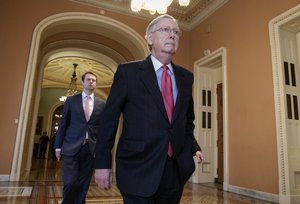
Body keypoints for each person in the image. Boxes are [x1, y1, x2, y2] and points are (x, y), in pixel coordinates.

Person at [94, 14, 204, 204]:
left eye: (176, 32)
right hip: (137, 167)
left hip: (174, 171)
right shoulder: (128, 73)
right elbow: (109, 121)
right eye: (165, 30)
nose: (172, 35)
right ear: (150, 38)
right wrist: (102, 164)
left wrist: (190, 149)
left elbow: (187, 120)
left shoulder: (186, 77)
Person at [54, 71, 105, 204]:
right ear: (82, 82)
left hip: (90, 149)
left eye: (94, 80)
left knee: (83, 184)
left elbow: (103, 128)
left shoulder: (101, 104)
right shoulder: (71, 100)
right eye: (88, 79)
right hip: (71, 147)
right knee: (70, 182)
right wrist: (57, 146)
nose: (91, 82)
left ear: (96, 84)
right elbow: (63, 124)